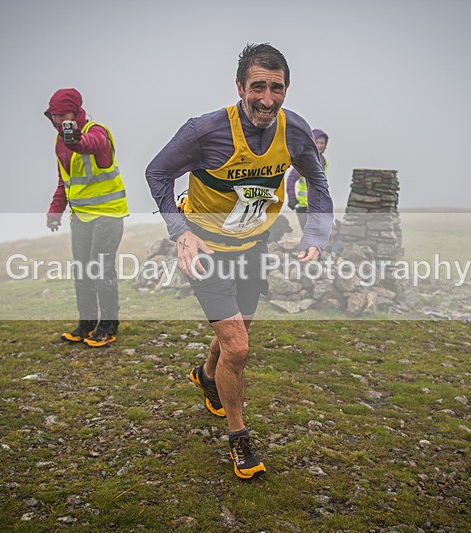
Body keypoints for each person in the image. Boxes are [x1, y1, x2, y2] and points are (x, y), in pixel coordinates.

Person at [145, 44, 333, 479]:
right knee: (239, 347)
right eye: (258, 87)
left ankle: (206, 375)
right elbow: (156, 172)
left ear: (287, 88)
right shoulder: (203, 131)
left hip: (252, 246)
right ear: (240, 87)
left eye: (277, 88)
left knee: (238, 333)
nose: (267, 99)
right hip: (206, 251)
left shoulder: (296, 131)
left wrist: (316, 234)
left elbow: (317, 179)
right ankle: (238, 438)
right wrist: (181, 231)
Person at [45, 88, 129, 348]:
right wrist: (55, 211)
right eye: (54, 116)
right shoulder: (60, 142)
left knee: (101, 270)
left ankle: (108, 326)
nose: (59, 121)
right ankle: (86, 325)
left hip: (107, 215)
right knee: (82, 272)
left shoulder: (98, 132)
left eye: (64, 115)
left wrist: (75, 141)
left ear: (76, 111)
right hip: (80, 217)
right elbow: (65, 181)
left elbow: (91, 145)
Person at [287, 129, 329, 231]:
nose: (320, 145)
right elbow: (291, 179)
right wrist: (292, 198)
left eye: (322, 143)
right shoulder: (305, 160)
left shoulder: (324, 162)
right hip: (304, 206)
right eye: (317, 142)